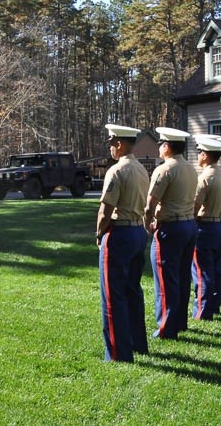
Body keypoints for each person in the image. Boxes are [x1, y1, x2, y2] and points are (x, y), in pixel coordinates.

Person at [96, 124, 149, 362]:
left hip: (119, 234)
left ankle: (118, 353)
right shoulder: (142, 169)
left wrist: (99, 234)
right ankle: (138, 343)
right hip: (138, 231)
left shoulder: (117, 171)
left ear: (119, 144)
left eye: (111, 143)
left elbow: (105, 211)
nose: (110, 148)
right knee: (133, 291)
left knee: (113, 295)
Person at [143, 127, 197, 339]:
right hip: (188, 225)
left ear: (166, 147)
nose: (159, 148)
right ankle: (180, 322)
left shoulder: (164, 169)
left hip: (170, 227)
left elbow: (150, 203)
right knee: (182, 277)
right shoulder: (191, 168)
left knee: (166, 280)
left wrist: (147, 223)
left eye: (160, 144)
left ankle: (166, 328)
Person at [191, 137, 221, 320]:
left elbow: (194, 207)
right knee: (217, 268)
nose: (198, 156)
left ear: (205, 155)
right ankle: (214, 305)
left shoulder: (205, 178)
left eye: (199, 152)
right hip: (220, 224)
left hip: (206, 226)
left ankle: (202, 310)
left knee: (203, 270)